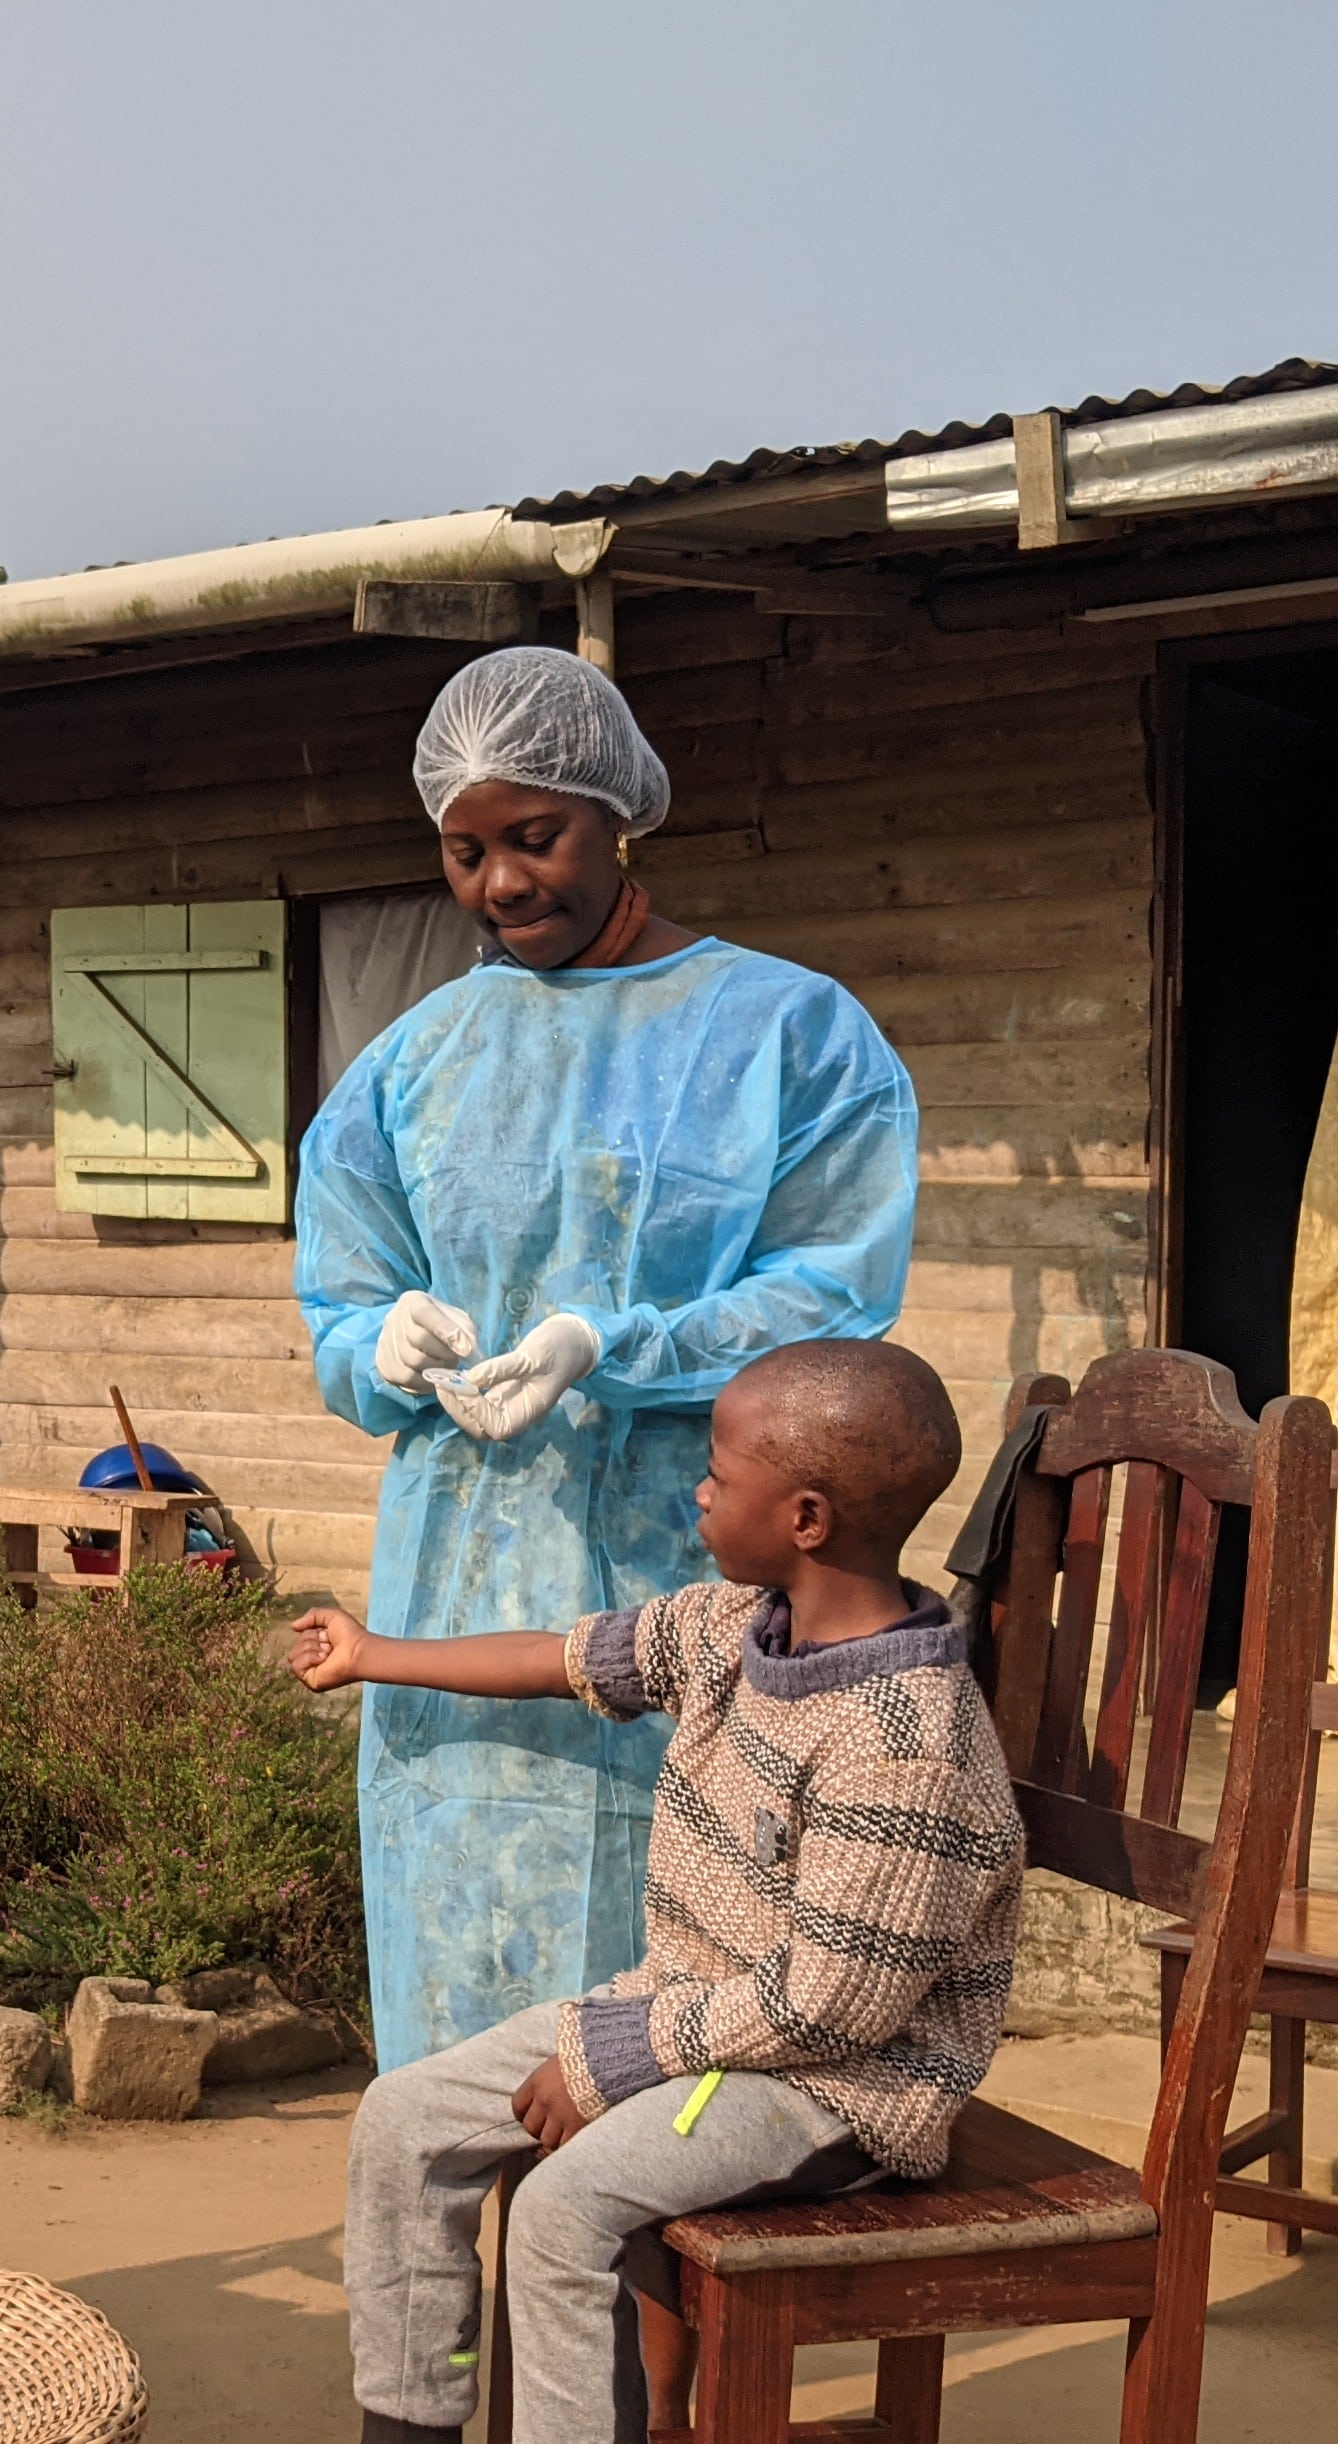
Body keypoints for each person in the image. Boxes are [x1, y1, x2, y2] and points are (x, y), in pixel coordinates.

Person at [252, 1338, 1023, 2444]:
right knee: (408, 2113)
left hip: (840, 2088)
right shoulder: (745, 1623)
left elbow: (836, 2004)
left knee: (564, 2211)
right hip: (697, 2014)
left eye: (716, 1473)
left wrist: (615, 2056)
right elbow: (570, 1659)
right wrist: (372, 1654)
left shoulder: (909, 1742)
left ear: (803, 1516)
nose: (693, 1491)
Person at [294, 646, 922, 2074]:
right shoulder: (412, 1064)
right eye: (464, 852)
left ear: (617, 816)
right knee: (456, 2034)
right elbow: (339, 1296)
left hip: (687, 1581)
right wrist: (377, 1341)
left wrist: (614, 1346)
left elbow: (837, 1290)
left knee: (671, 2025)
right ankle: (471, 2295)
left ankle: (638, 2297)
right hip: (453, 1589)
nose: (503, 884)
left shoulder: (790, 1035)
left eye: (535, 838)